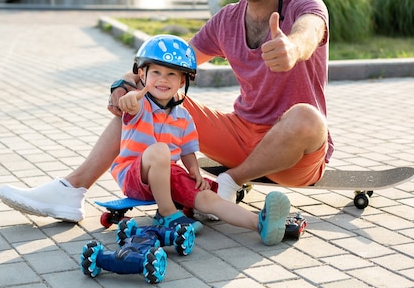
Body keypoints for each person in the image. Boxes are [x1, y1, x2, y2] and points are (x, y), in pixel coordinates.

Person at [0, 0, 333, 227]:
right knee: (147, 98)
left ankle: (230, 181)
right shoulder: (226, 20)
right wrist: (126, 84)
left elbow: (310, 31)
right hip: (240, 135)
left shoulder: (305, 5)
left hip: (293, 155)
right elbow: (168, 65)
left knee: (307, 117)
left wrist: (292, 48)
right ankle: (72, 190)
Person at [109, 34, 290, 245]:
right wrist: (129, 99)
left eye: (171, 74)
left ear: (182, 81)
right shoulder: (141, 106)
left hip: (167, 173)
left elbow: (187, 150)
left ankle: (260, 224)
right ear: (142, 73)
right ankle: (168, 215)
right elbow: (128, 105)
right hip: (134, 175)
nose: (163, 79)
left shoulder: (183, 116)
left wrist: (195, 172)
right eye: (156, 72)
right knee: (160, 150)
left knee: (206, 196)